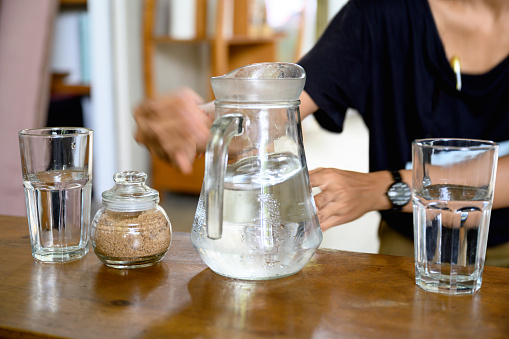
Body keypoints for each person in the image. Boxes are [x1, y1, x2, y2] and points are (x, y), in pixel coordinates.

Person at [134, 0, 509, 267]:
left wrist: (387, 187)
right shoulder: (377, 14)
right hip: (412, 245)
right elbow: (275, 109)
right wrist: (199, 124)